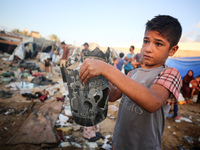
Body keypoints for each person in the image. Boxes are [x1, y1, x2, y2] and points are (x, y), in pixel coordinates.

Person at [79, 15, 182, 150]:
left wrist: (107, 69)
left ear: (172, 50)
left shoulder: (170, 74)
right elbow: (113, 96)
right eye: (146, 41)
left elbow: (153, 102)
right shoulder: (133, 73)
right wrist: (102, 77)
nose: (148, 48)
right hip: (119, 142)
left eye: (158, 43)